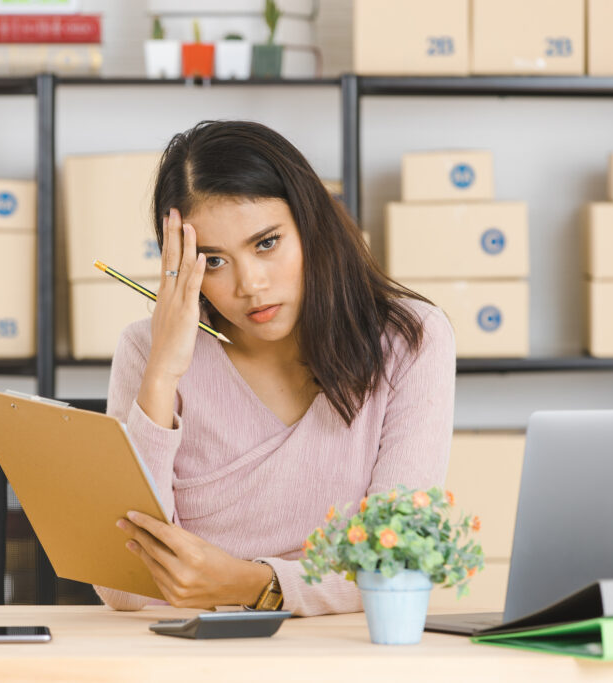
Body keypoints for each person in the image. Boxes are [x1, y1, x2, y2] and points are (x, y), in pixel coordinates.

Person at [94, 120, 456, 617]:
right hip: (189, 653)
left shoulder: (410, 340)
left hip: (343, 651)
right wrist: (161, 376)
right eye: (213, 261)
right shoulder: (146, 349)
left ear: (311, 223)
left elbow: (399, 564)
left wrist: (250, 584)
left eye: (266, 243)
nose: (250, 285)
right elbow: (126, 590)